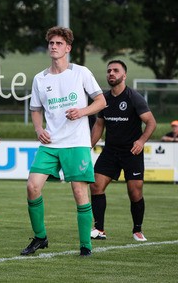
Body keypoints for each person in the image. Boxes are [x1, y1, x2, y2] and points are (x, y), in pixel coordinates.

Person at [22, 26, 106, 258]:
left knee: (79, 192)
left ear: (68, 48)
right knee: (32, 187)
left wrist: (82, 111)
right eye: (51, 43)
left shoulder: (81, 72)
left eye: (59, 43)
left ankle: (85, 246)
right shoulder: (40, 78)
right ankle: (40, 237)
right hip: (50, 144)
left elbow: (101, 102)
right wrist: (38, 129)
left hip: (77, 143)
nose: (54, 46)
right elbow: (36, 109)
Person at [90, 60, 157, 242]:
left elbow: (151, 122)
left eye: (116, 70)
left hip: (131, 152)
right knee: (95, 185)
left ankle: (137, 230)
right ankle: (99, 229)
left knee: (135, 192)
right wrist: (88, 146)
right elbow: (99, 125)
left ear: (124, 75)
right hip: (110, 151)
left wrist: (141, 141)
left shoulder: (134, 97)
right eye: (109, 71)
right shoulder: (103, 100)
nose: (111, 73)